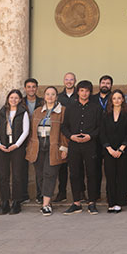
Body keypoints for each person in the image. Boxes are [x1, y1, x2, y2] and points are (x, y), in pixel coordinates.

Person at [61, 80, 102, 215]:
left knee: (91, 173)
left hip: (90, 144)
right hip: (74, 145)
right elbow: (64, 126)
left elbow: (100, 127)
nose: (84, 93)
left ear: (90, 92)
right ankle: (76, 203)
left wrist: (90, 136)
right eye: (82, 90)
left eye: (87, 91)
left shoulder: (96, 108)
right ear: (78, 92)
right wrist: (71, 136)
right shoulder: (70, 107)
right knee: (74, 174)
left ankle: (91, 203)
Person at [26, 86, 68, 216]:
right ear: (44, 96)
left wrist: (64, 147)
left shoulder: (63, 111)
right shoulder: (38, 111)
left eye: (53, 94)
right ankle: (46, 199)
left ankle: (45, 204)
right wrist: (29, 147)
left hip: (53, 147)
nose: (50, 97)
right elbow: (31, 130)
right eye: (48, 94)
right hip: (38, 147)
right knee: (40, 175)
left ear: (57, 97)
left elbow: (65, 131)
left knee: (50, 174)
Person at [0, 89, 31, 215]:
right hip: (3, 147)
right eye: (11, 98)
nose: (13, 100)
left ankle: (16, 202)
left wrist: (16, 145)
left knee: (17, 175)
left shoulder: (23, 113)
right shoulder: (2, 112)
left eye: (16, 98)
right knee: (3, 175)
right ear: (8, 99)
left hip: (17, 148)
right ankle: (4, 201)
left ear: (20, 100)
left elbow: (26, 131)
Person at [101, 89, 127, 212]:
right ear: (111, 100)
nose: (117, 100)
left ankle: (120, 202)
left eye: (119, 98)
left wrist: (121, 149)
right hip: (109, 151)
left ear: (123, 100)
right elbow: (102, 133)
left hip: (122, 151)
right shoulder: (105, 115)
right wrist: (109, 148)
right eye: (114, 98)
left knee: (121, 176)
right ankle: (111, 202)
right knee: (110, 177)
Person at [55, 72, 77, 201]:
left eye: (71, 79)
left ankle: (81, 193)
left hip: (77, 134)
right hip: (63, 134)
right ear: (64, 81)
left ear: (75, 81)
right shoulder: (59, 98)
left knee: (77, 167)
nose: (69, 81)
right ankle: (61, 192)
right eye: (67, 79)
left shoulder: (79, 96)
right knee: (62, 167)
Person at [23, 78, 43, 202]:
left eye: (33, 86)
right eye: (29, 87)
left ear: (37, 88)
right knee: (22, 168)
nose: (31, 89)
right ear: (25, 88)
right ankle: (23, 195)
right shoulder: (20, 102)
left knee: (39, 169)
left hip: (38, 138)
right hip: (23, 139)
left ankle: (40, 195)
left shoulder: (42, 102)